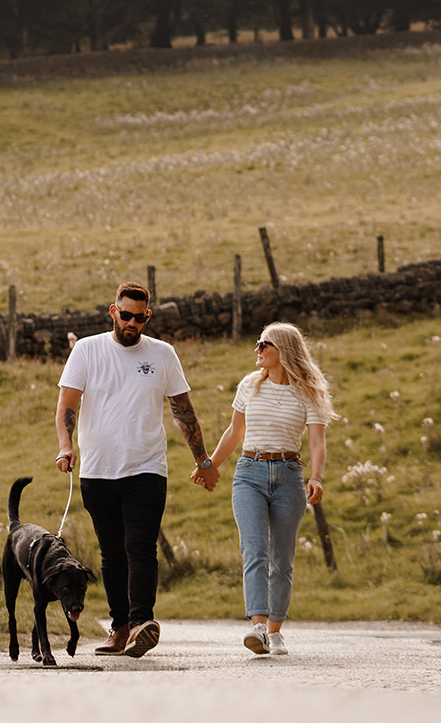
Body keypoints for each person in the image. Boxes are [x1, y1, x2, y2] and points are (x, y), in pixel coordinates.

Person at [55, 281, 221, 658]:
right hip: (97, 471)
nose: (132, 323)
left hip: (146, 469)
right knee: (112, 553)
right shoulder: (86, 350)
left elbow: (183, 411)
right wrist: (66, 446)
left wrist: (203, 460)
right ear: (113, 311)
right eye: (125, 315)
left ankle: (142, 622)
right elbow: (67, 403)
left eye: (139, 317)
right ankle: (120, 628)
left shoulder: (162, 354)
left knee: (140, 547)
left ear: (148, 316)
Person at [197, 322, 331, 657]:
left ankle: (275, 630)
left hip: (288, 475)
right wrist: (210, 465)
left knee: (282, 560)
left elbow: (317, 440)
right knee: (254, 551)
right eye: (258, 344)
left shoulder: (308, 392)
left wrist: (316, 477)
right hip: (249, 473)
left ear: (282, 350)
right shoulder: (249, 385)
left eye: (263, 344)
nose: (257, 350)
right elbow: (234, 431)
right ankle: (257, 627)